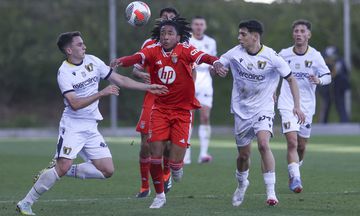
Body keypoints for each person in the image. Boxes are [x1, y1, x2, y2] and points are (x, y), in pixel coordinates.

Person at [16, 31, 168, 215]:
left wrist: (148, 87)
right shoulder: (64, 72)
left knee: (107, 170)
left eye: (83, 43)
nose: (84, 47)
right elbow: (75, 103)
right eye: (80, 44)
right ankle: (26, 203)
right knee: (61, 167)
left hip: (90, 126)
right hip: (72, 126)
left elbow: (120, 79)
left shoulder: (93, 61)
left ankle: (61, 169)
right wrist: (101, 93)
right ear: (69, 50)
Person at [113, 17, 224, 209]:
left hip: (182, 112)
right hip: (160, 109)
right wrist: (120, 61)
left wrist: (216, 62)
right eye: (163, 33)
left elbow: (205, 57)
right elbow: (137, 57)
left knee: (175, 163)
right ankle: (159, 195)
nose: (165, 37)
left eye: (170, 33)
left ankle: (176, 167)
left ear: (178, 37)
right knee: (155, 153)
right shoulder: (153, 51)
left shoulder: (186, 50)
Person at [213, 20, 305, 207]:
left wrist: (297, 106)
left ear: (255, 36)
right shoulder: (234, 53)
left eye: (243, 34)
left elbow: (291, 79)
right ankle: (241, 183)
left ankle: (271, 193)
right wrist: (217, 68)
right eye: (239, 34)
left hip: (264, 108)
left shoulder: (272, 57)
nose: (239, 37)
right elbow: (217, 63)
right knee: (243, 156)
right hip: (241, 111)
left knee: (264, 144)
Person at [277, 20, 332, 193]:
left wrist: (319, 80)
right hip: (287, 103)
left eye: (302, 31)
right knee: (292, 142)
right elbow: (272, 72)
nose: (299, 34)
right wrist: (271, 92)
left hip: (307, 106)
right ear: (293, 34)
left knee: (301, 146)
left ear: (309, 35)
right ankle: (297, 178)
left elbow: (328, 75)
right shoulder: (284, 54)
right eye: (296, 31)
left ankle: (294, 170)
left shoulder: (315, 56)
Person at [131, 7, 179, 199]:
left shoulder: (182, 45)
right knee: (145, 144)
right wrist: (143, 75)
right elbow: (135, 70)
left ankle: (166, 174)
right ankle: (144, 186)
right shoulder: (149, 43)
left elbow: (190, 71)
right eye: (164, 18)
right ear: (158, 21)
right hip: (152, 96)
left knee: (167, 145)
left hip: (173, 99)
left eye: (171, 19)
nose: (167, 20)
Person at [184, 16, 217, 164]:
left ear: (205, 26)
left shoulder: (211, 42)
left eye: (201, 24)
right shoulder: (187, 40)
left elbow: (212, 64)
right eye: (196, 24)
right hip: (190, 79)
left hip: (205, 82)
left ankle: (203, 153)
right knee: (188, 118)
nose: (198, 26)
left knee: (205, 117)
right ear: (192, 26)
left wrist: (215, 69)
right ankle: (186, 155)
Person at [318, 45, 350, 123]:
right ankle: (323, 123)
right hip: (327, 89)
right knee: (326, 105)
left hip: (338, 88)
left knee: (340, 105)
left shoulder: (340, 62)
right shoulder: (323, 63)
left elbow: (344, 74)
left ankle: (345, 123)